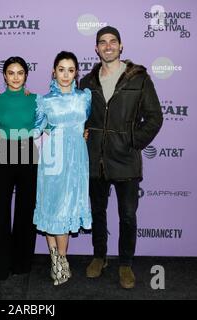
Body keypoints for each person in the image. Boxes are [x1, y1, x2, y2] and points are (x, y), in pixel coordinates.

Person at [80, 26, 163, 289]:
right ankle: (99, 256)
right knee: (97, 212)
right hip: (96, 160)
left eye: (112, 41)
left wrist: (132, 141)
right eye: (102, 42)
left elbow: (154, 117)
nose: (107, 46)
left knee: (127, 215)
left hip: (125, 159)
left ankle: (125, 263)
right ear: (96, 48)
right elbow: (80, 118)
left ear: (121, 46)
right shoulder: (86, 82)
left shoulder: (138, 79)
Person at [33, 51, 92, 286]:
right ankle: (57, 261)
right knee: (51, 207)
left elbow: (87, 124)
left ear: (76, 72)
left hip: (77, 159)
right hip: (52, 159)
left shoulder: (85, 97)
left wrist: (81, 134)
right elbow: (36, 130)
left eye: (70, 70)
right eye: (61, 69)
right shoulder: (44, 100)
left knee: (67, 206)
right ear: (53, 72)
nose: (65, 75)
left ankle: (61, 260)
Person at [0, 56, 38, 284]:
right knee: (0, 211)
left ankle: (21, 263)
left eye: (20, 73)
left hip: (28, 152)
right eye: (11, 73)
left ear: (26, 75)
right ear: (4, 76)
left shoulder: (36, 100)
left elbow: (49, 124)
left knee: (26, 210)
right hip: (3, 153)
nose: (15, 77)